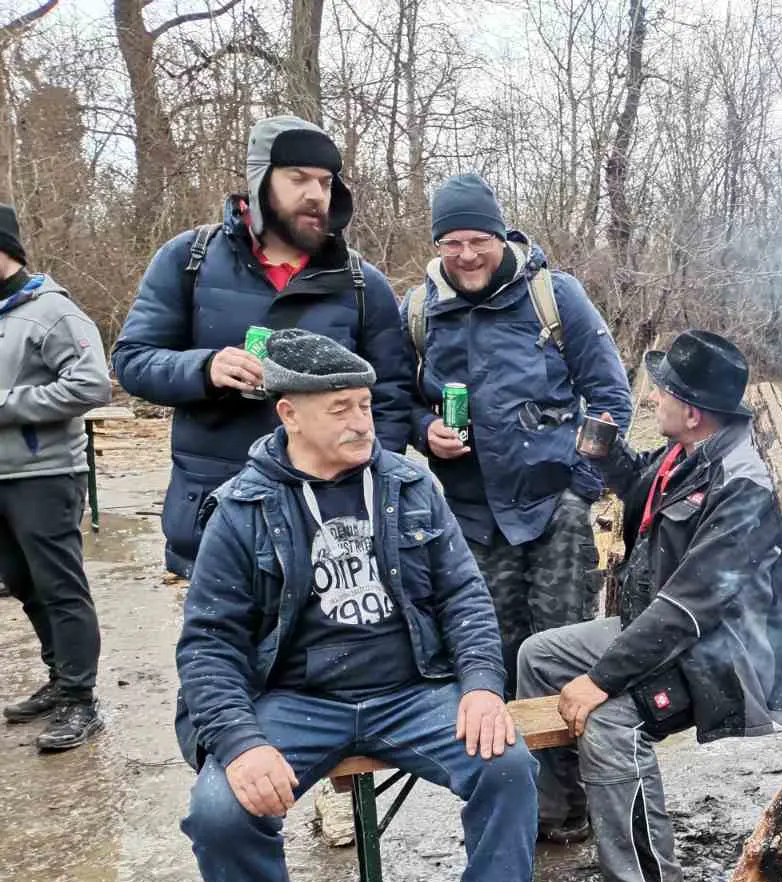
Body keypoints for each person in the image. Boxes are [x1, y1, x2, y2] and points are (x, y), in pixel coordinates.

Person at [175, 330, 542, 882]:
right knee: (217, 812)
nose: (362, 421)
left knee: (506, 767)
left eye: (367, 405)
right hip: (297, 699)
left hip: (411, 691)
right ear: (289, 414)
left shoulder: (408, 484)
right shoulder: (242, 508)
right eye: (341, 407)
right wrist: (241, 743)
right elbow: (207, 645)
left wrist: (479, 686)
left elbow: (466, 598)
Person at [517, 330, 782, 882]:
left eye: (660, 391)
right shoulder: (691, 451)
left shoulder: (743, 482)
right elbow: (645, 490)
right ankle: (563, 813)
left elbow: (689, 608)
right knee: (540, 655)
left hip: (724, 656)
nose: (650, 402)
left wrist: (601, 679)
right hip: (665, 628)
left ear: (690, 410)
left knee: (611, 715)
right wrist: (606, 453)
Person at [406, 175, 633, 843]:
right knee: (493, 656)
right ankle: (512, 798)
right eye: (451, 243)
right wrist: (427, 434)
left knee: (557, 652)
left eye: (477, 240)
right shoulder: (419, 310)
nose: (467, 255)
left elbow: (609, 398)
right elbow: (396, 402)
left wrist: (582, 486)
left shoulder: (553, 297)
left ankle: (566, 803)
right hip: (473, 516)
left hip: (554, 508)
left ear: (502, 235)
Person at [112, 115, 414, 579]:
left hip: (329, 521)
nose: (316, 194)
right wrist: (205, 369)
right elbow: (132, 361)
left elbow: (391, 398)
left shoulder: (361, 283)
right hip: (215, 510)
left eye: (325, 182)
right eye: (298, 179)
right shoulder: (189, 259)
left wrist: (364, 482)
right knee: (218, 650)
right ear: (259, 181)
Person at [0, 203, 113, 751]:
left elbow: (93, 386)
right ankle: (58, 678)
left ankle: (80, 699)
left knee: (59, 586)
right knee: (20, 582)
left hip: (44, 472)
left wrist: (7, 404)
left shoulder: (51, 311)